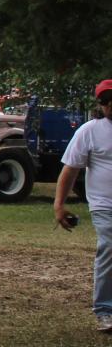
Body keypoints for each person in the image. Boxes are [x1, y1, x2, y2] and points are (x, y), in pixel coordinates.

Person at [53, 77, 112, 333]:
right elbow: (70, 170)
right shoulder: (89, 131)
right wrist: (59, 205)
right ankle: (105, 310)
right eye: (106, 101)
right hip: (104, 204)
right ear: (100, 104)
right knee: (109, 246)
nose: (110, 105)